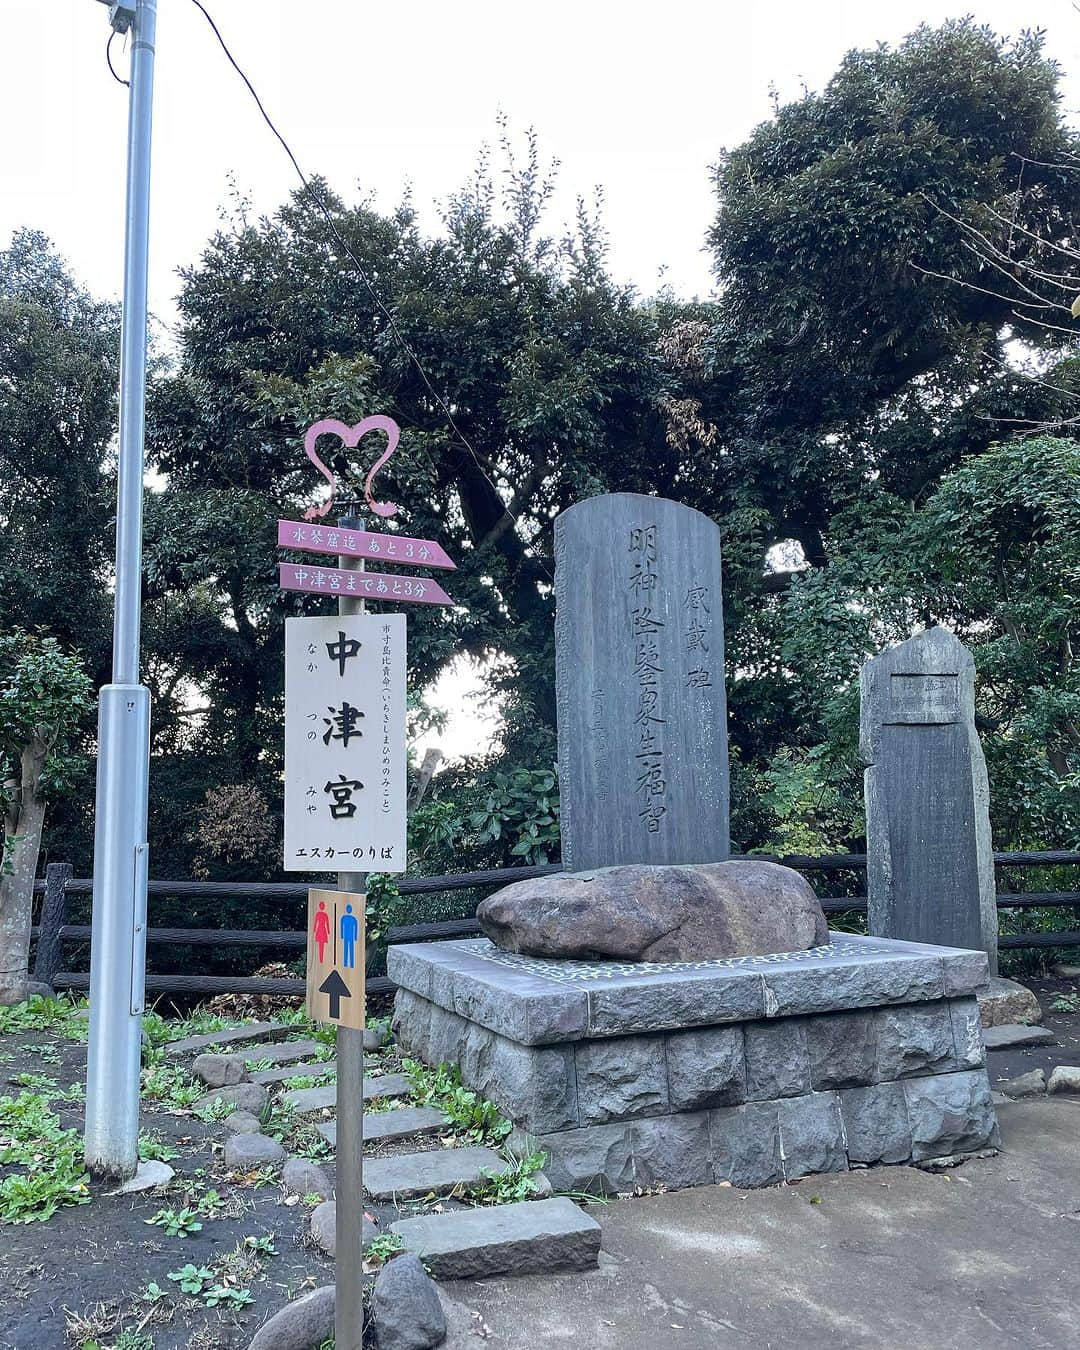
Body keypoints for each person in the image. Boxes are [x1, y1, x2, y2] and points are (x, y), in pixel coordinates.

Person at [340, 902, 359, 969]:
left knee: (350, 949)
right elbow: (341, 927)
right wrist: (342, 935)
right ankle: (345, 963)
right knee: (346, 949)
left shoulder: (353, 918)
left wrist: (356, 936)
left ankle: (351, 964)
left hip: (350, 936)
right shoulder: (344, 918)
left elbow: (356, 928)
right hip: (347, 935)